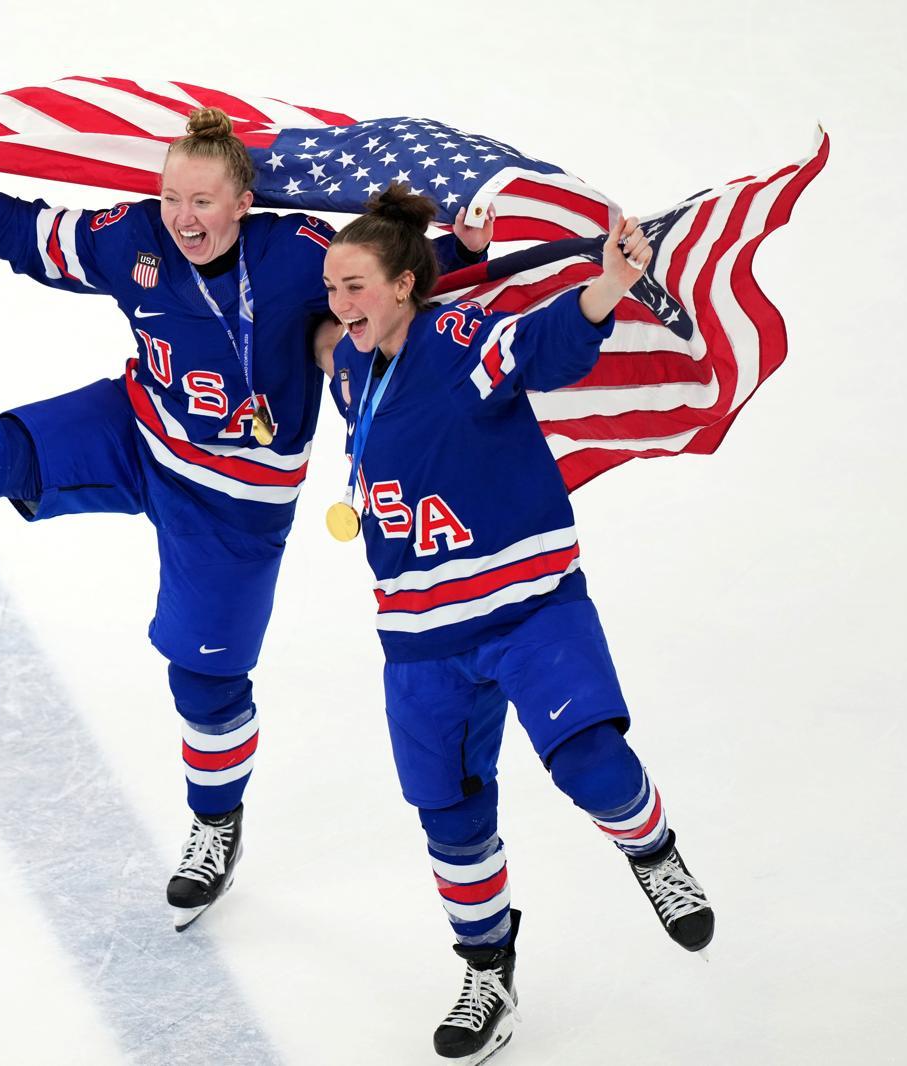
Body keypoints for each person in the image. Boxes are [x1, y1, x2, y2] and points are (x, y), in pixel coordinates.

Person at [0, 110, 490, 930]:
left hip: (236, 502)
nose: (183, 217)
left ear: (243, 202)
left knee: (204, 680)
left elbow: (384, 282)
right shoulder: (132, 237)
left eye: (203, 200)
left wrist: (466, 252)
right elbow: (33, 237)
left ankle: (214, 823)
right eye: (171, 197)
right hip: (135, 429)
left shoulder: (297, 253)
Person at [320, 185, 713, 1065]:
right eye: (332, 288)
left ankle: (653, 852)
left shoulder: (462, 342)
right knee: (452, 819)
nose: (340, 305)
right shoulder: (350, 365)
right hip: (420, 638)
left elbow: (542, 342)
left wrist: (607, 287)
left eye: (355, 287)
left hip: (528, 606)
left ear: (405, 288)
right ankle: (488, 970)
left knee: (594, 763)